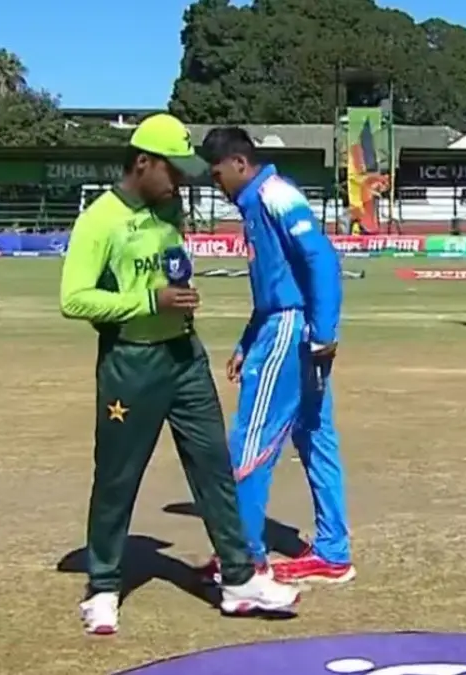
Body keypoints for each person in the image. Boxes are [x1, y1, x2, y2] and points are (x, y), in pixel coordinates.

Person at [58, 113, 300, 634]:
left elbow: (168, 268)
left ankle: (239, 579)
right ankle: (102, 587)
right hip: (131, 364)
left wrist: (180, 298)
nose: (184, 181)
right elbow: (73, 298)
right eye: (175, 170)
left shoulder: (171, 209)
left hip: (184, 358)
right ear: (142, 162)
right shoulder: (99, 219)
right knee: (118, 477)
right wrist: (151, 300)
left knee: (214, 467)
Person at [196, 126, 355, 585]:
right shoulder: (256, 203)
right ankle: (332, 552)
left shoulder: (274, 195)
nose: (216, 186)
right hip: (282, 325)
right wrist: (248, 340)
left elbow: (320, 258)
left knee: (249, 443)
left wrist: (324, 331)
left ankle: (245, 557)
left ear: (239, 164)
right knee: (314, 435)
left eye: (217, 174)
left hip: (291, 330)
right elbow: (272, 283)